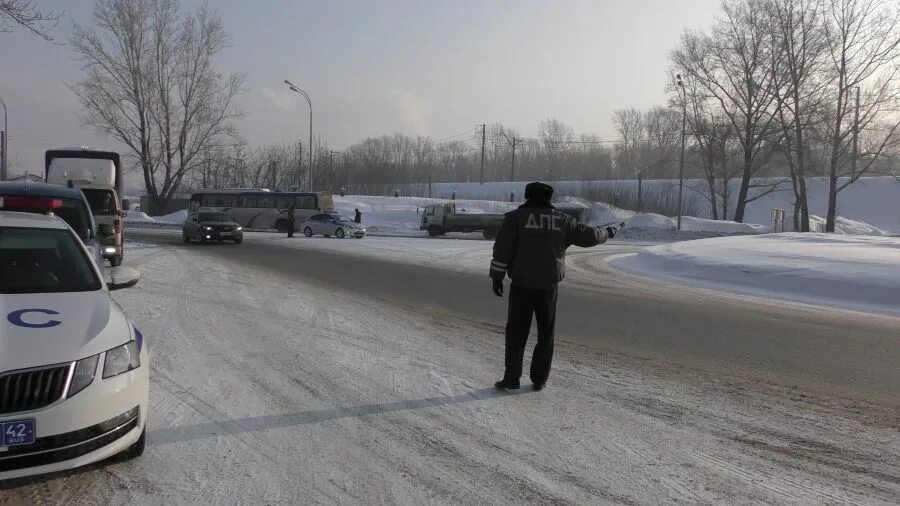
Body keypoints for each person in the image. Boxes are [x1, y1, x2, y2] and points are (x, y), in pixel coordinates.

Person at [490, 182, 618, 391]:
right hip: (548, 287)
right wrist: (609, 232)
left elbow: (502, 248)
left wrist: (497, 276)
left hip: (521, 285)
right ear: (549, 198)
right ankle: (539, 379)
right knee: (546, 333)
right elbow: (590, 236)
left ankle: (512, 378)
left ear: (527, 196)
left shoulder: (515, 219)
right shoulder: (562, 220)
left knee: (516, 333)